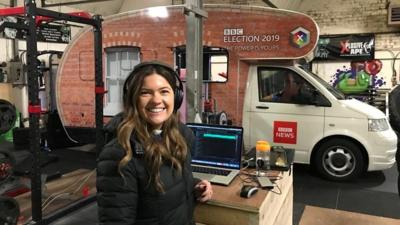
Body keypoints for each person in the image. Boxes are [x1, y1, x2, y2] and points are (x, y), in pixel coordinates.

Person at [96, 60, 213, 225]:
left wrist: (195, 186)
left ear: (176, 97)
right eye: (145, 92)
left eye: (164, 91)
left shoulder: (177, 135)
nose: (156, 100)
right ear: (133, 100)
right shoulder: (120, 154)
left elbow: (164, 187)